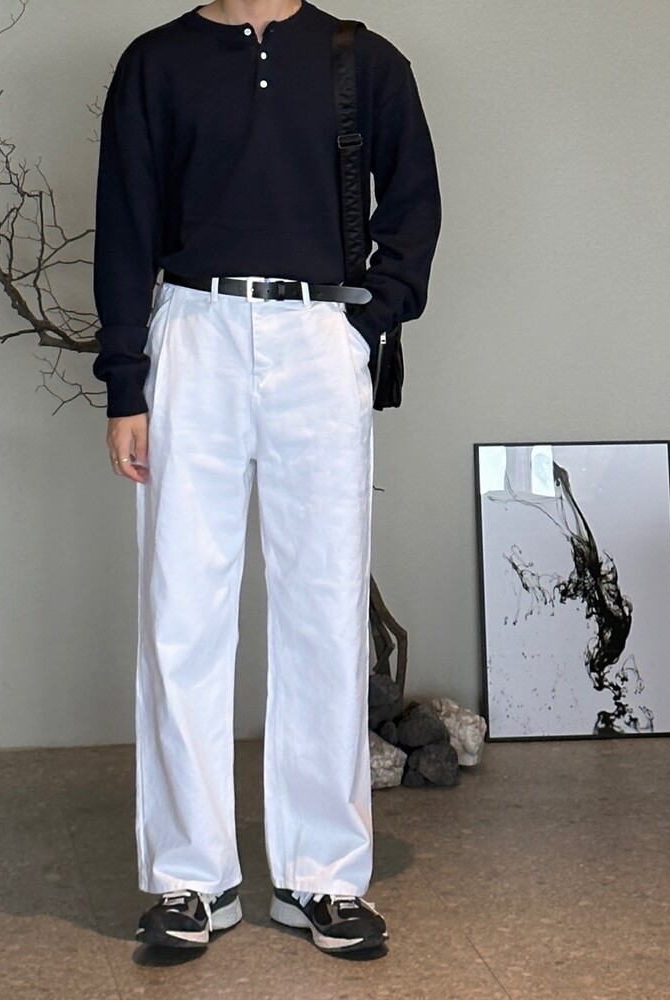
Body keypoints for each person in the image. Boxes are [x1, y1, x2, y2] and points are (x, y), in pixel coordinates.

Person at [92, 0, 440, 955]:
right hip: (193, 332)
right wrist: (126, 383)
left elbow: (413, 201)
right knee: (181, 612)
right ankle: (190, 880)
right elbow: (123, 223)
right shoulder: (157, 63)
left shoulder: (364, 59)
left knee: (325, 607)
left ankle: (324, 875)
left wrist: (367, 322)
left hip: (319, 334)